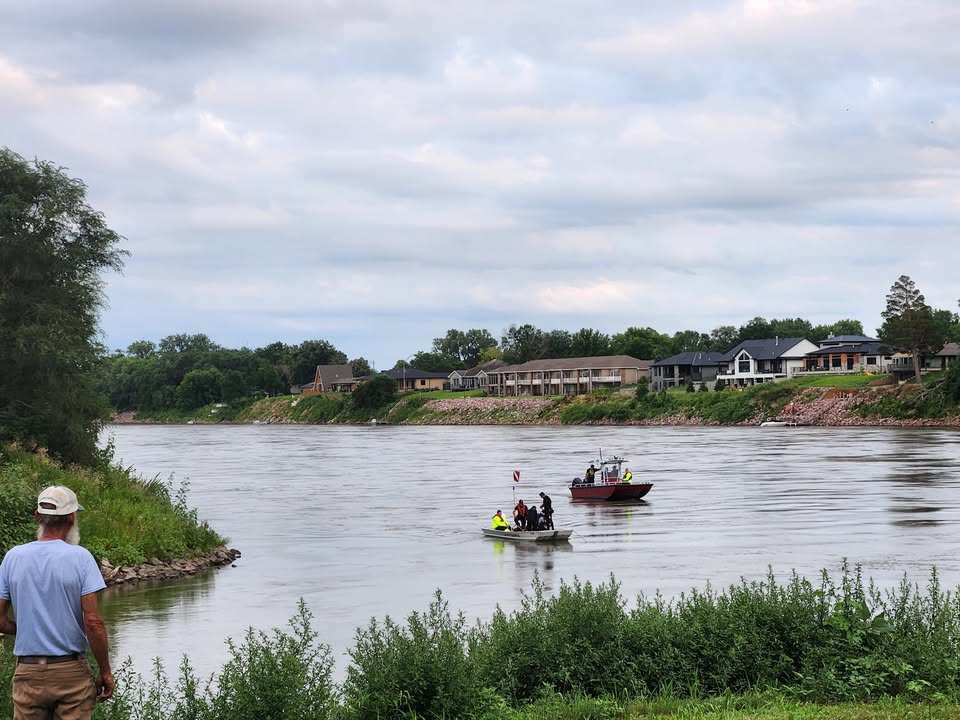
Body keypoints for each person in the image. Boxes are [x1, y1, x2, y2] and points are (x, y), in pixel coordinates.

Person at [0, 485, 114, 720]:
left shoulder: (13, 557)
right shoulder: (81, 558)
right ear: (72, 518)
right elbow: (93, 622)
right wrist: (105, 671)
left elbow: (0, 621)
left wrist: (31, 629)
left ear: (37, 517)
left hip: (28, 672)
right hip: (70, 672)